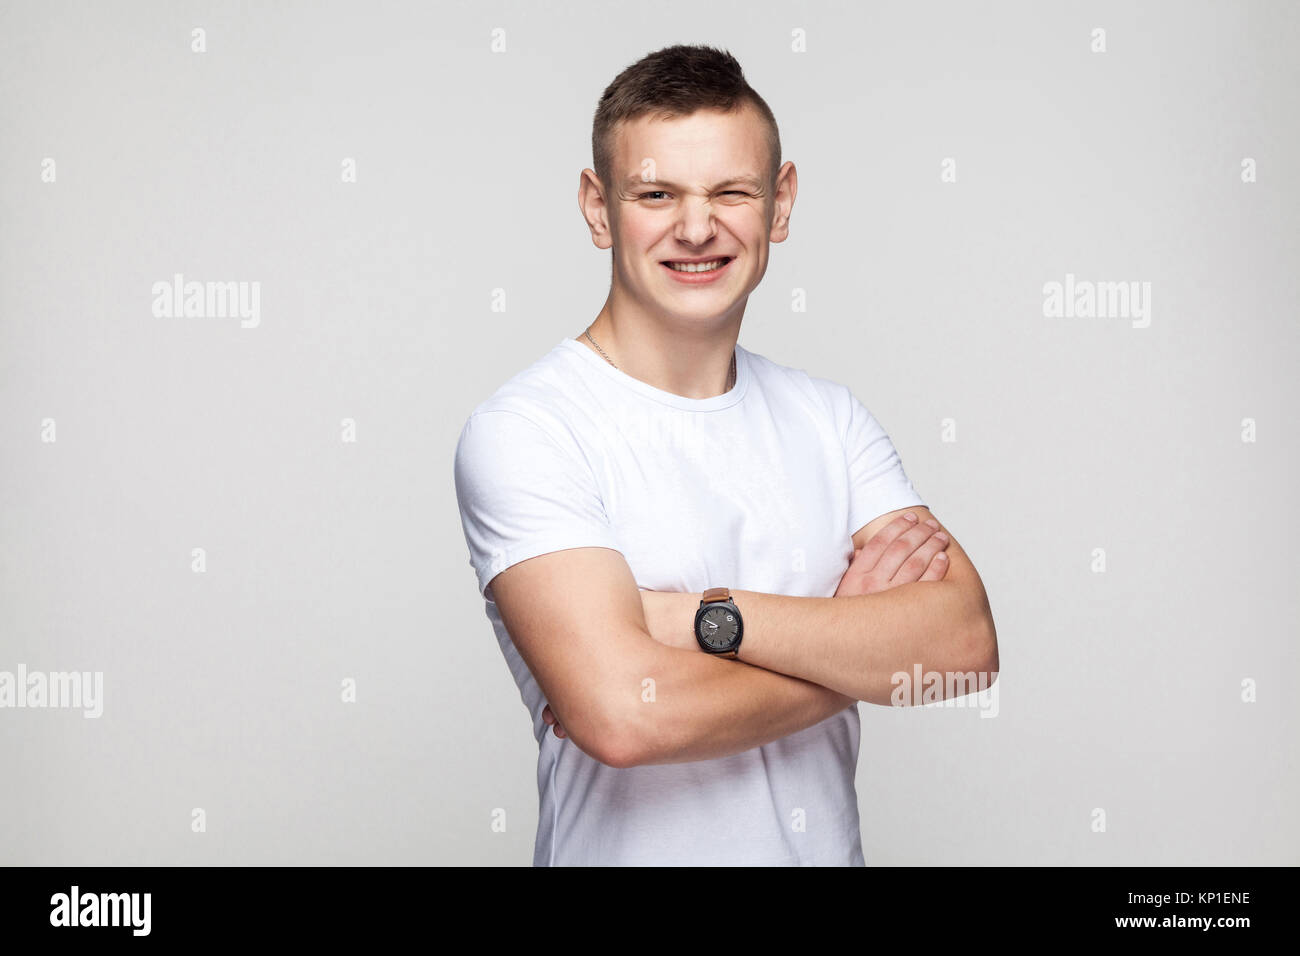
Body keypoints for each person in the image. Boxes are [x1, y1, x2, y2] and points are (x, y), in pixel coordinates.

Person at [453, 44, 998, 866]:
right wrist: (853, 652)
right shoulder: (529, 430)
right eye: (657, 193)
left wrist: (691, 620)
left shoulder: (830, 420)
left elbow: (962, 651)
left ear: (779, 204)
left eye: (731, 192)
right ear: (598, 207)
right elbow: (626, 718)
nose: (697, 227)